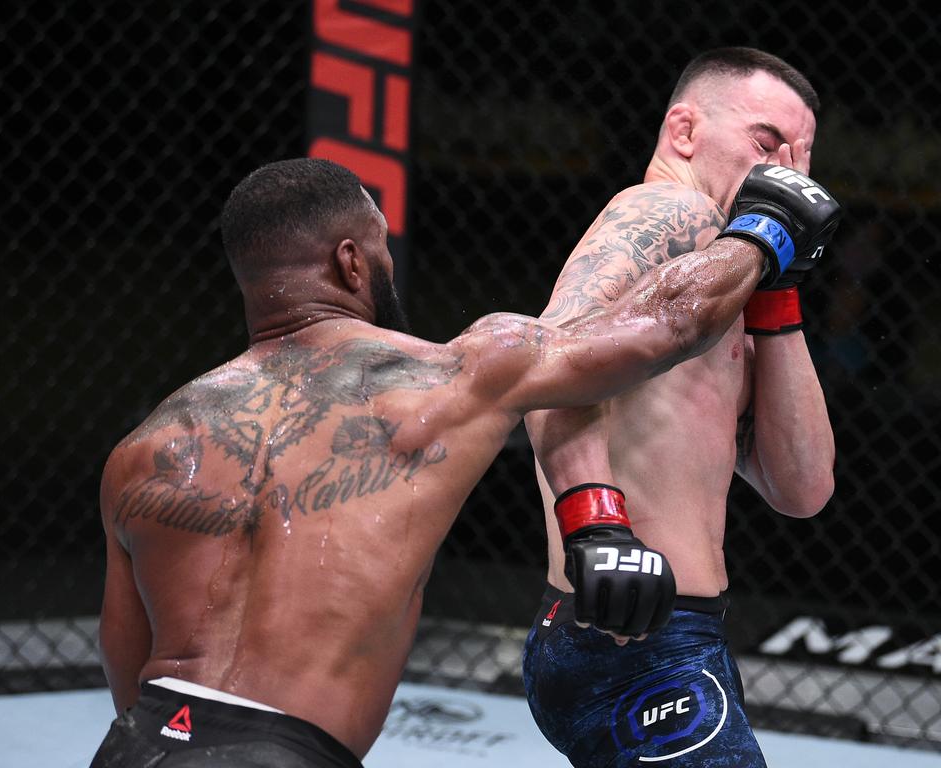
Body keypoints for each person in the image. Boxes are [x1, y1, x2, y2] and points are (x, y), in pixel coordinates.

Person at [90, 155, 839, 767]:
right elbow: (666, 325)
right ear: (352, 261)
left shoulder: (150, 445)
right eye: (380, 243)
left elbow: (127, 665)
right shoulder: (443, 382)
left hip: (138, 743)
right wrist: (765, 233)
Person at [521, 48, 838, 767]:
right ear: (684, 131)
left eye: (798, 158)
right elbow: (546, 360)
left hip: (670, 633)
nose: (782, 171)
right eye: (766, 143)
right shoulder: (669, 210)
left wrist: (776, 286)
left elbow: (803, 487)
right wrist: (597, 526)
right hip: (632, 634)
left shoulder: (720, 283)